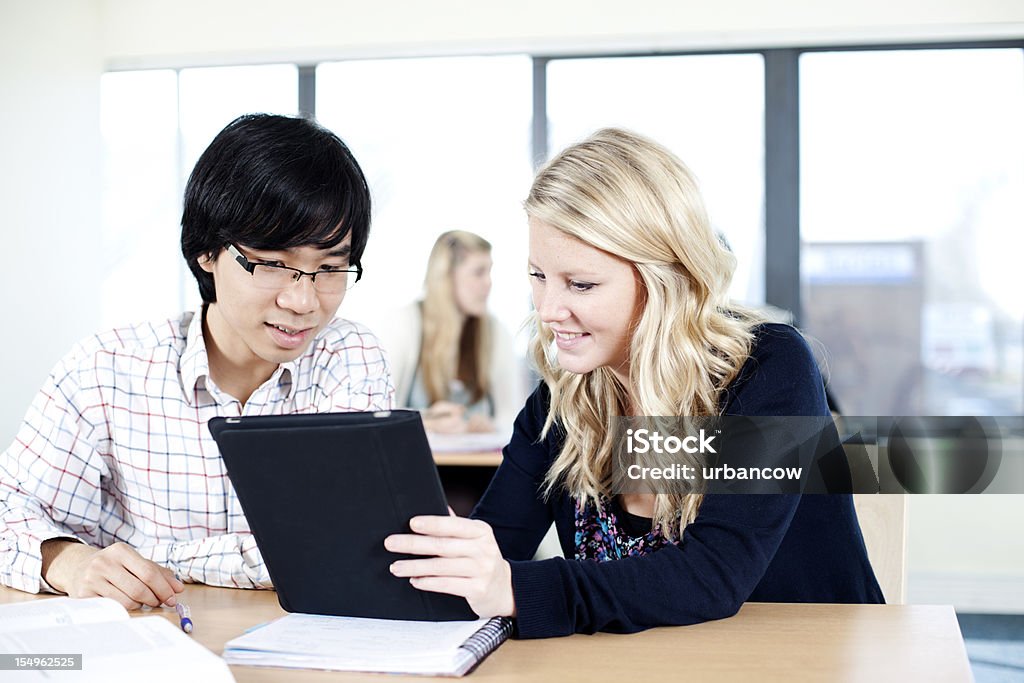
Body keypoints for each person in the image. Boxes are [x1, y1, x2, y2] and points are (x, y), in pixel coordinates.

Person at [384, 128, 883, 638]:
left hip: (801, 661)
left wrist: (515, 588)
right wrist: (450, 552)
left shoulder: (768, 368)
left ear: (665, 280)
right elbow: (496, 548)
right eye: (538, 276)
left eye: (581, 284)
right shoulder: (561, 400)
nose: (549, 311)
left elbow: (713, 575)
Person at [0, 114, 393, 609]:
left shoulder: (349, 357)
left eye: (331, 268)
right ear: (208, 250)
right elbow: (9, 508)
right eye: (272, 263)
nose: (303, 301)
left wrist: (155, 556)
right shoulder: (106, 369)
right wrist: (70, 561)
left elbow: (346, 542)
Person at [381, 230, 526, 436]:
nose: (488, 283)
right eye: (478, 272)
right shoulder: (404, 323)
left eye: (489, 272)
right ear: (446, 277)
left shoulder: (495, 332)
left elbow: (512, 416)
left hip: (477, 465)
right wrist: (427, 420)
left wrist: (490, 425)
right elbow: (381, 415)